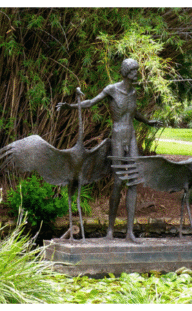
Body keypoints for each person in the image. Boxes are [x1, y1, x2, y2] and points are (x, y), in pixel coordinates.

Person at [58, 58, 159, 242]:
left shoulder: (134, 92)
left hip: (132, 136)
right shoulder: (111, 89)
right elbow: (91, 103)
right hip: (118, 136)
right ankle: (110, 231)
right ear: (126, 72)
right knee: (119, 182)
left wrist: (147, 121)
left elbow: (132, 113)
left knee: (133, 182)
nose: (137, 74)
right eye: (134, 71)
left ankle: (129, 232)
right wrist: (72, 106)